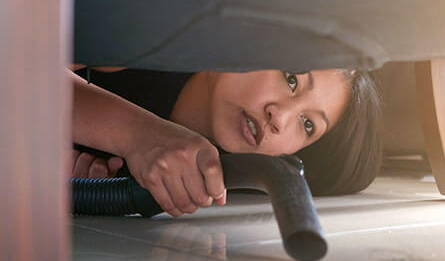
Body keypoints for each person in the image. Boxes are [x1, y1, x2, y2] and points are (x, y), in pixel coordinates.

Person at [70, 66, 382, 217]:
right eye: (291, 79)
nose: (280, 117)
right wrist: (138, 134)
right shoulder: (147, 24)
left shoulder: (183, 183)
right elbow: (22, 52)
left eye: (308, 124)